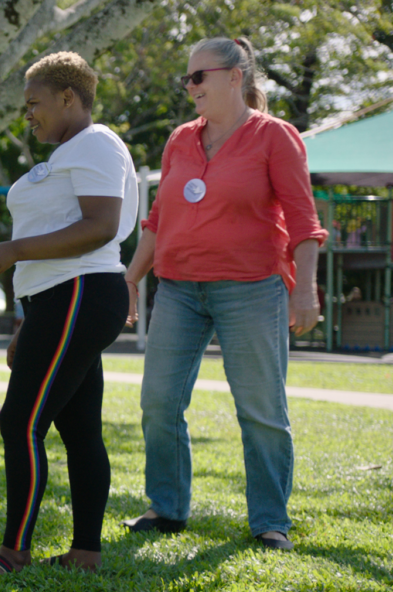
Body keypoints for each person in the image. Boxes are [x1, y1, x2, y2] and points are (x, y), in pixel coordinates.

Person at [121, 37, 326, 551]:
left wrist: (306, 291)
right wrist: (130, 278)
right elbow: (158, 218)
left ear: (235, 77)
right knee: (158, 402)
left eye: (198, 77)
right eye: (186, 79)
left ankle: (270, 521)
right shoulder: (179, 140)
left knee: (260, 409)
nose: (190, 88)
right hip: (179, 289)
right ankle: (166, 508)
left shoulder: (275, 137)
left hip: (251, 288)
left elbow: (303, 220)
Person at [0, 52, 137, 574]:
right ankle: (86, 552)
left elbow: (100, 226)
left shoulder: (95, 143)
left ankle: (12, 553)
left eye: (35, 103)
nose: (29, 115)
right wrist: (29, 319)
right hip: (61, 300)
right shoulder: (69, 152)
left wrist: (13, 250)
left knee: (20, 422)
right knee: (80, 428)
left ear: (69, 98)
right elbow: (61, 234)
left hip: (82, 293)